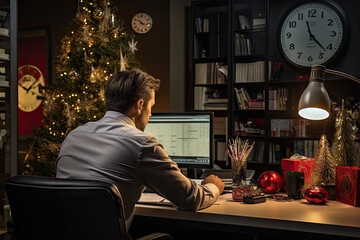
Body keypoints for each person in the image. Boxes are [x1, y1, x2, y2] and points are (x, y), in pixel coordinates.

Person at [55, 69, 225, 231]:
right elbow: (189, 199)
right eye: (151, 106)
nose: (150, 114)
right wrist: (213, 186)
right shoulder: (142, 144)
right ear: (140, 105)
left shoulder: (73, 136)